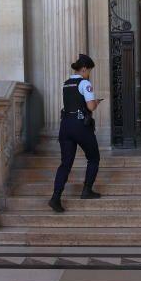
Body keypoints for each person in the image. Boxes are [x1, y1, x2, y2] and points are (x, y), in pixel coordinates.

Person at [49, 54, 104, 213]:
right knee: (93, 158)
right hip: (80, 125)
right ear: (85, 68)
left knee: (65, 164)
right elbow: (91, 106)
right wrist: (96, 102)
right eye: (89, 71)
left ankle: (55, 198)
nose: (89, 74)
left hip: (65, 126)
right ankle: (87, 190)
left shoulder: (66, 84)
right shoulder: (85, 83)